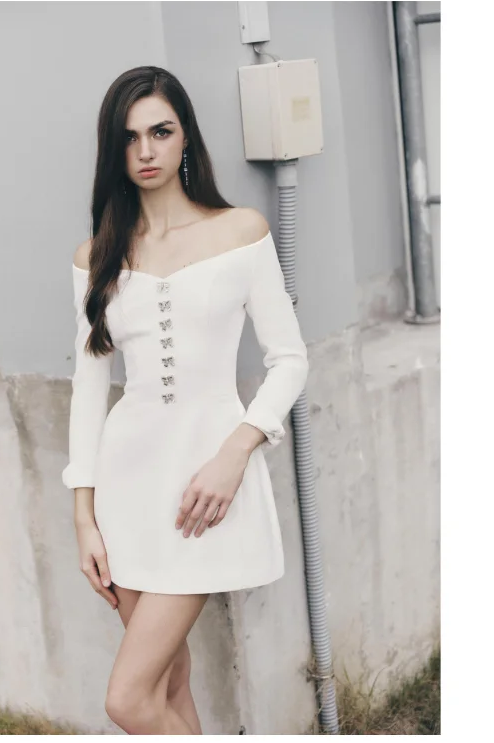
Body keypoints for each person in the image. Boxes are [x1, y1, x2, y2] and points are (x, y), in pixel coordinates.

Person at [61, 65, 309, 735]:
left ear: (185, 137)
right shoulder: (97, 256)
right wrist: (84, 517)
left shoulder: (241, 232)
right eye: (129, 137)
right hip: (125, 490)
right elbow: (89, 389)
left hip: (203, 491)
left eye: (160, 132)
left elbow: (290, 359)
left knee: (127, 700)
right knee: (167, 682)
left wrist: (237, 451)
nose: (145, 150)